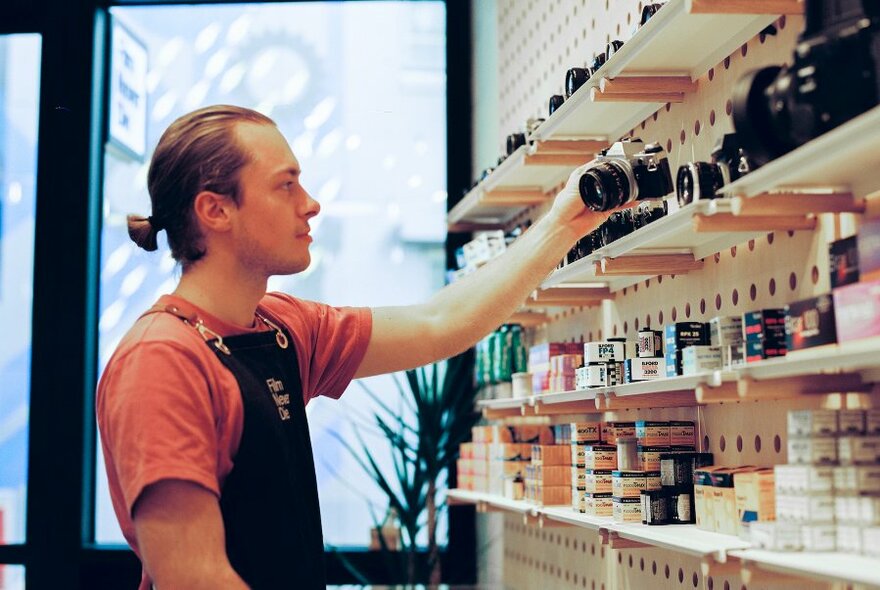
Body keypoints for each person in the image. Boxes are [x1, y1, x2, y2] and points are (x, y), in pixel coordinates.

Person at [96, 104, 615, 589]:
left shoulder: (280, 327)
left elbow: (440, 323)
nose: (311, 204)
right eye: (286, 185)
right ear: (215, 209)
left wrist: (562, 223)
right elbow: (194, 577)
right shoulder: (162, 359)